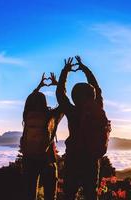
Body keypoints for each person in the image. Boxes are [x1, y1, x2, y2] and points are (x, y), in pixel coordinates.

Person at [56, 56, 110, 200]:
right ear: (91, 96)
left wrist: (65, 72)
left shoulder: (72, 111)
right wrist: (84, 68)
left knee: (69, 194)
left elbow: (60, 95)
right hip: (92, 159)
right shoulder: (97, 107)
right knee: (91, 194)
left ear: (75, 96)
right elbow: (96, 88)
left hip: (73, 157)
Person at [20, 72, 64, 200]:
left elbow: (28, 102)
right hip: (47, 160)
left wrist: (38, 87)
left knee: (30, 193)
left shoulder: (27, 115)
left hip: (29, 159)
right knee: (50, 195)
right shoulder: (51, 117)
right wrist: (58, 85)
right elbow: (64, 104)